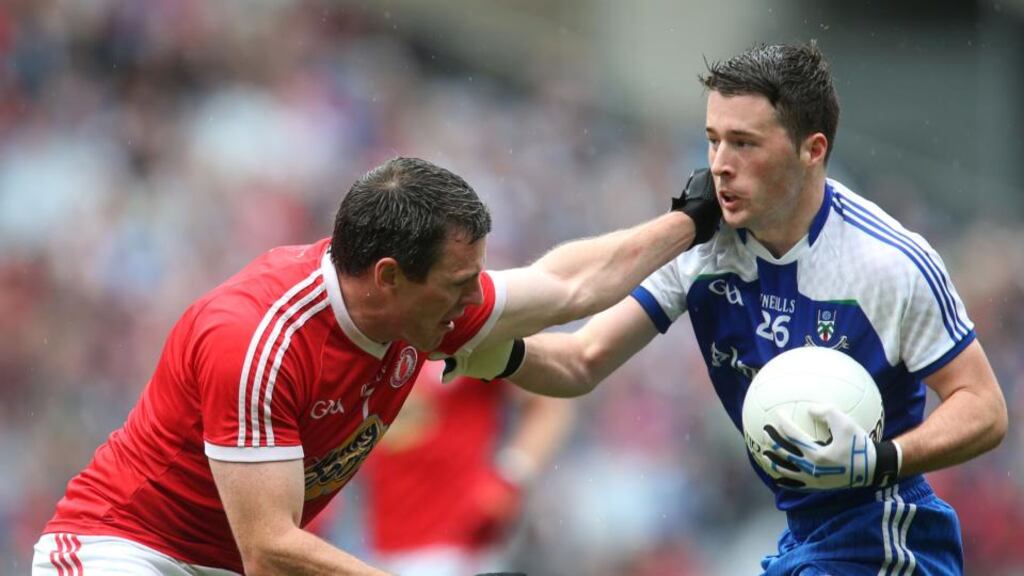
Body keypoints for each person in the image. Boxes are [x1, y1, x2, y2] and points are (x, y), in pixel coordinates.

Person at [452, 43, 1008, 575]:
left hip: (889, 538)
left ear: (813, 150)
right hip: (805, 537)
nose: (719, 164)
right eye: (713, 140)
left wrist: (877, 460)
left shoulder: (889, 262)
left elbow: (984, 408)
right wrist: (492, 352)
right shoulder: (698, 247)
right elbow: (582, 359)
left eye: (744, 144)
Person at [32, 156, 717, 576]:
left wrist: (693, 224)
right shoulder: (257, 340)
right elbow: (270, 551)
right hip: (121, 551)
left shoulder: (423, 315)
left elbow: (569, 303)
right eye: (458, 282)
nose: (473, 297)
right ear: (389, 276)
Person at [322, 360, 574, 576]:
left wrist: (511, 476)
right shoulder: (379, 335)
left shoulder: (468, 324)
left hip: (459, 546)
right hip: (378, 548)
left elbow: (549, 400)